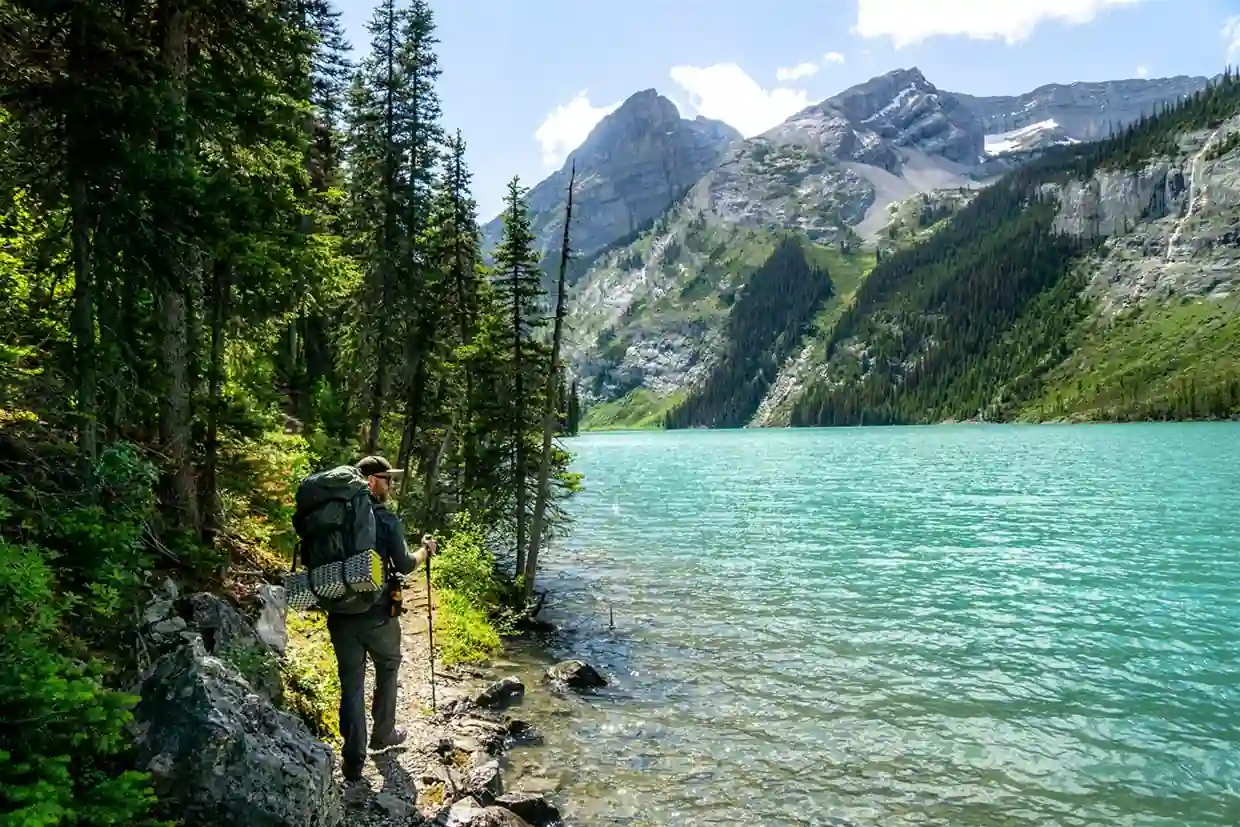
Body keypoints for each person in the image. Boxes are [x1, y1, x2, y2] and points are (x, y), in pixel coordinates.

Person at [328, 454, 436, 782]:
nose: (391, 485)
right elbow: (404, 564)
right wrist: (425, 551)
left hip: (340, 613)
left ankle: (353, 762)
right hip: (376, 615)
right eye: (387, 479)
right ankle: (383, 734)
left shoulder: (333, 517)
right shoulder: (385, 519)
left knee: (351, 684)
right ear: (372, 481)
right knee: (388, 666)